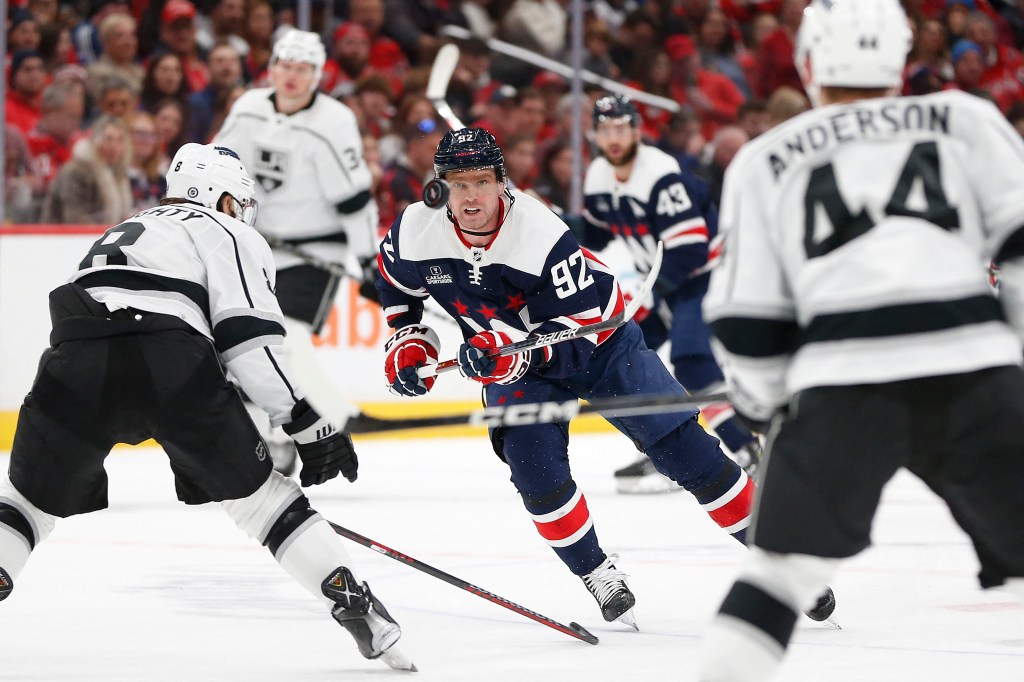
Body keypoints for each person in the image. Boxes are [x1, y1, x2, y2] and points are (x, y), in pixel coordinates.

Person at [375, 127, 834, 628]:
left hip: (598, 343)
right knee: (534, 472)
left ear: (502, 182)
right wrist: (410, 342)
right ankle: (596, 572)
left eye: (481, 182)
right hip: (510, 356)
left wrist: (506, 353)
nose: (471, 197)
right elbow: (397, 286)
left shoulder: (540, 234)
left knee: (689, 456)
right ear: (439, 188)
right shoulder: (414, 230)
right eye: (457, 184)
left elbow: (574, 338)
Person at [697, 2, 1024, 680]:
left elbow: (745, 321)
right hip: (974, 369)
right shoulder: (967, 119)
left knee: (778, 578)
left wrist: (765, 407)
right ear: (901, 60)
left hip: (842, 384)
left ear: (810, 64)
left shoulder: (762, 159)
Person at [0, 142, 414, 672]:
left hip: (72, 360)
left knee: (25, 507)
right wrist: (309, 424)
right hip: (168, 358)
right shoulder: (227, 230)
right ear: (223, 197)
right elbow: (250, 342)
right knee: (265, 505)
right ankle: (358, 608)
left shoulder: (128, 228)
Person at [215, 29, 380, 474]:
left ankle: (332, 418)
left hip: (315, 251)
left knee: (284, 336)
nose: (292, 77)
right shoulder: (248, 110)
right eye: (285, 66)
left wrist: (369, 261)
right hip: (256, 249)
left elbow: (354, 200)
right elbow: (218, 169)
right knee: (241, 347)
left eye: (303, 69)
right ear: (271, 69)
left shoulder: (335, 120)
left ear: (318, 75)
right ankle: (270, 443)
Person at [577, 95, 761, 495]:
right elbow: (596, 234)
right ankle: (668, 444)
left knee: (692, 361)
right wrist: (551, 221)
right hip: (663, 282)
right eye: (605, 129)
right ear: (594, 134)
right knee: (620, 356)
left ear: (637, 131)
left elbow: (691, 250)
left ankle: (745, 447)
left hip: (705, 274)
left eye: (621, 128)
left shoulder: (660, 174)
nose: (613, 137)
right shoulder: (597, 175)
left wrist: (650, 294)